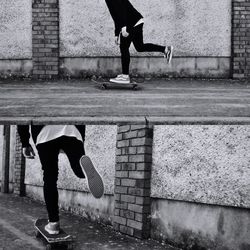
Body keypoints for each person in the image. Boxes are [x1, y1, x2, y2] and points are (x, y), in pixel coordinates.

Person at [17, 125, 104, 235]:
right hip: (71, 127)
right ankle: (82, 169)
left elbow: (24, 116)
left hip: (44, 132)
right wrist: (80, 138)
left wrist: (25, 143)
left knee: (50, 177)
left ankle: (53, 224)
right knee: (78, 166)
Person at [105, 0, 173, 84]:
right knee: (140, 47)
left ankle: (125, 76)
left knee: (124, 47)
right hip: (136, 21)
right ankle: (166, 49)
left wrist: (123, 27)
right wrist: (116, 34)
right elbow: (116, 16)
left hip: (131, 22)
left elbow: (121, 10)